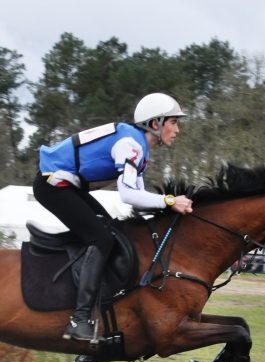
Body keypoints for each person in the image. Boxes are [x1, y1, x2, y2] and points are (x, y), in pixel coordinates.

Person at [34, 92, 194, 343]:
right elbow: (128, 196)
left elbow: (139, 198)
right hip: (54, 186)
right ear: (155, 124)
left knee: (112, 232)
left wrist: (168, 208)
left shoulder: (137, 144)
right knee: (102, 239)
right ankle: (80, 319)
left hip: (65, 186)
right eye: (173, 122)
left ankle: (103, 308)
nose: (177, 130)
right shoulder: (130, 145)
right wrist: (170, 201)